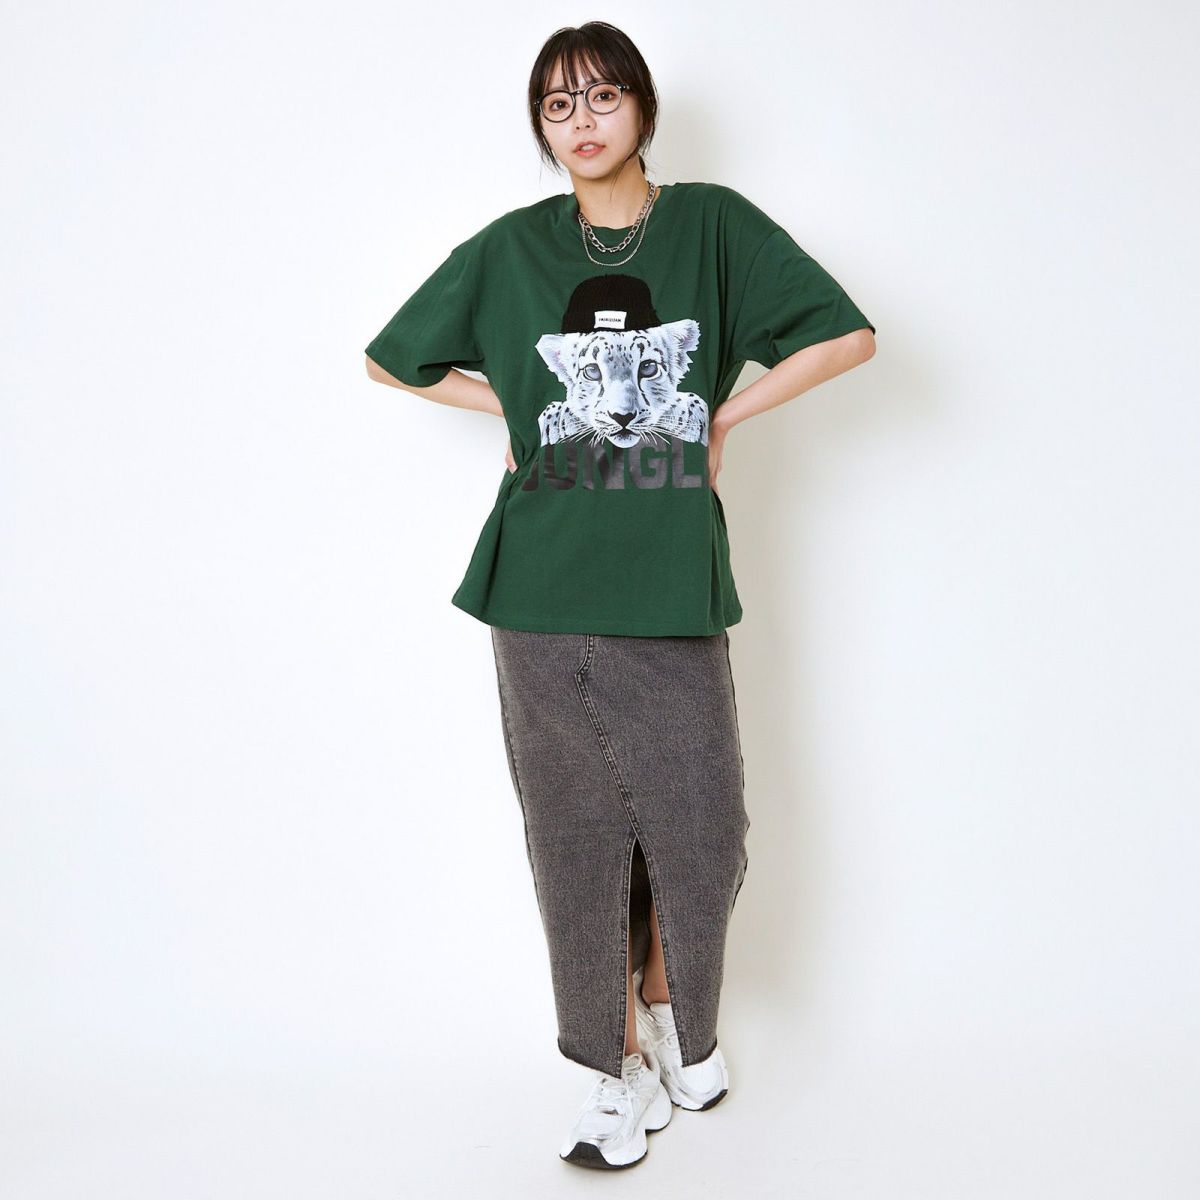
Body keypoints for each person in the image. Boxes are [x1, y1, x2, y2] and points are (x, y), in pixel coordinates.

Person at [364, 21, 876, 1171]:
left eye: (601, 96)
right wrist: (513, 405)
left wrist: (723, 418)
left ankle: (671, 1007)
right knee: (577, 834)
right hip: (538, 579)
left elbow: (848, 337)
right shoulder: (511, 248)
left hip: (667, 575)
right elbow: (392, 359)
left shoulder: (712, 226)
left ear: (641, 107)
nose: (582, 121)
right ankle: (612, 1068)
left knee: (701, 823)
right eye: (558, 106)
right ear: (542, 130)